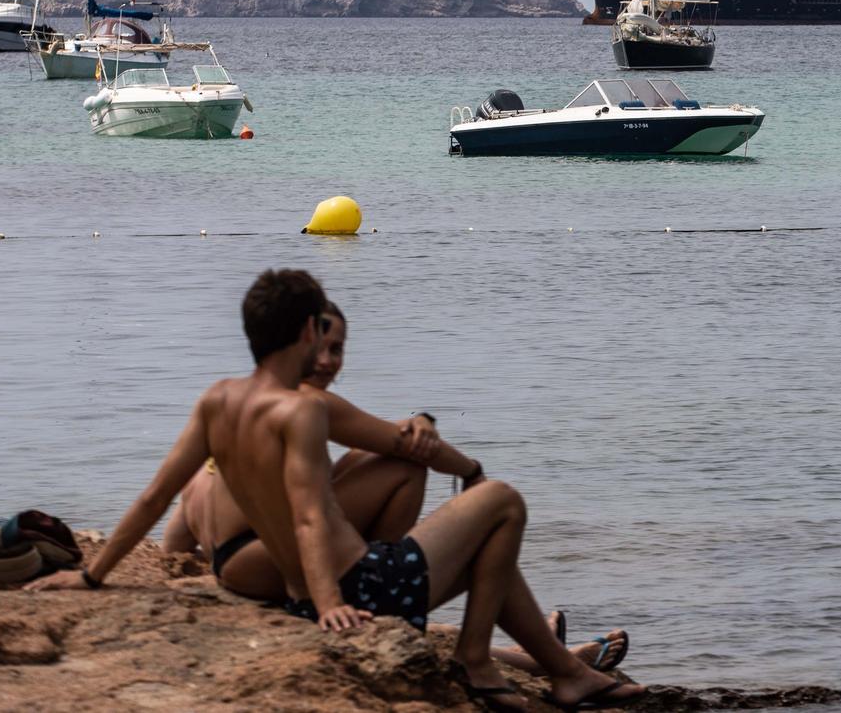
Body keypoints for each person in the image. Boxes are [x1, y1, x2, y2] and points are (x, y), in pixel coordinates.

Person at [32, 270, 642, 712]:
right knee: (501, 502)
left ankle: (563, 671)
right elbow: (305, 516)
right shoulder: (302, 412)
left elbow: (152, 498)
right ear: (304, 331)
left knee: (483, 542)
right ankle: (479, 661)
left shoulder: (217, 399)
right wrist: (328, 605)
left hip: (282, 576)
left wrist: (92, 577)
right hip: (362, 586)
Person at [161, 301, 627, 673]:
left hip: (254, 566)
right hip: (283, 569)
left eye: (337, 350)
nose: (326, 362)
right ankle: (551, 660)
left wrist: (213, 576)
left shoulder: (231, 419)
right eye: (317, 348)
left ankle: (542, 656)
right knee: (479, 519)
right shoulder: (305, 403)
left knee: (389, 465)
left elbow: (177, 539)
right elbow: (409, 444)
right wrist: (470, 469)